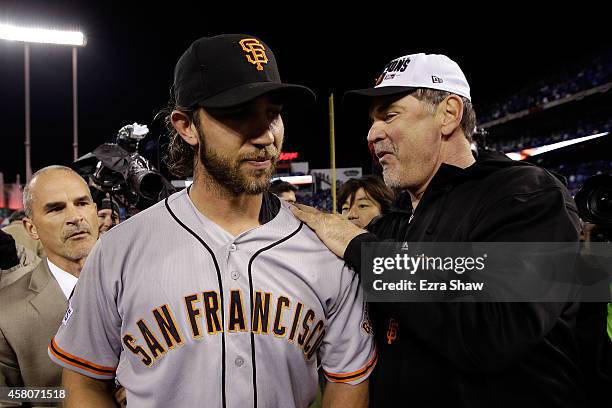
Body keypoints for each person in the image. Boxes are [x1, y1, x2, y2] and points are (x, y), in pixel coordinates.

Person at [49, 34, 375, 408]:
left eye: (273, 112)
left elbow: (347, 381)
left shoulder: (325, 249)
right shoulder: (119, 249)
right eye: (239, 113)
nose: (265, 135)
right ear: (186, 126)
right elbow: (84, 380)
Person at [292, 53, 586, 407]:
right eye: (372, 120)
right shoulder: (400, 219)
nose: (372, 133)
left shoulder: (526, 194)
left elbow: (494, 329)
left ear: (448, 114)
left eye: (389, 114)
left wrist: (361, 248)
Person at [0, 165, 99, 388]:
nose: (75, 217)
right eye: (56, 209)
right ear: (31, 228)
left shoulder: (141, 285)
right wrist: (67, 398)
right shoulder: (5, 315)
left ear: (95, 210)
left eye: (82, 203)